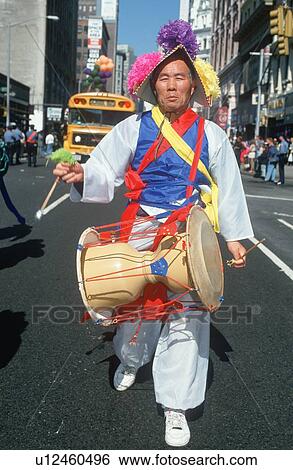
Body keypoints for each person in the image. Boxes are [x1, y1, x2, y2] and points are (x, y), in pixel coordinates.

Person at [53, 20, 253, 447]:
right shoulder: (132, 127)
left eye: (181, 77)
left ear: (194, 86)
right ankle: (130, 359)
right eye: (164, 78)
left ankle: (176, 404)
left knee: (189, 317)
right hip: (140, 225)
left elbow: (230, 186)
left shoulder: (211, 134)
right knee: (136, 304)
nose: (172, 84)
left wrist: (234, 237)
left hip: (187, 230)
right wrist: (79, 174)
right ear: (153, 86)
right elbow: (103, 169)